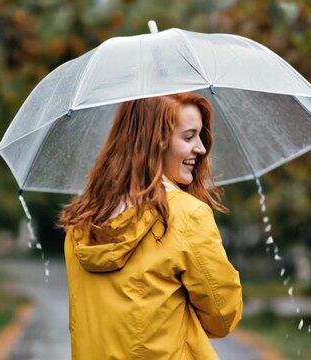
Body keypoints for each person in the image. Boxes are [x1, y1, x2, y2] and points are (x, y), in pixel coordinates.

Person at [59, 93, 243, 359]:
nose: (201, 148)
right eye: (189, 137)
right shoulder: (186, 216)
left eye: (200, 136)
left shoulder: (82, 223)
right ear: (157, 140)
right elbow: (222, 317)